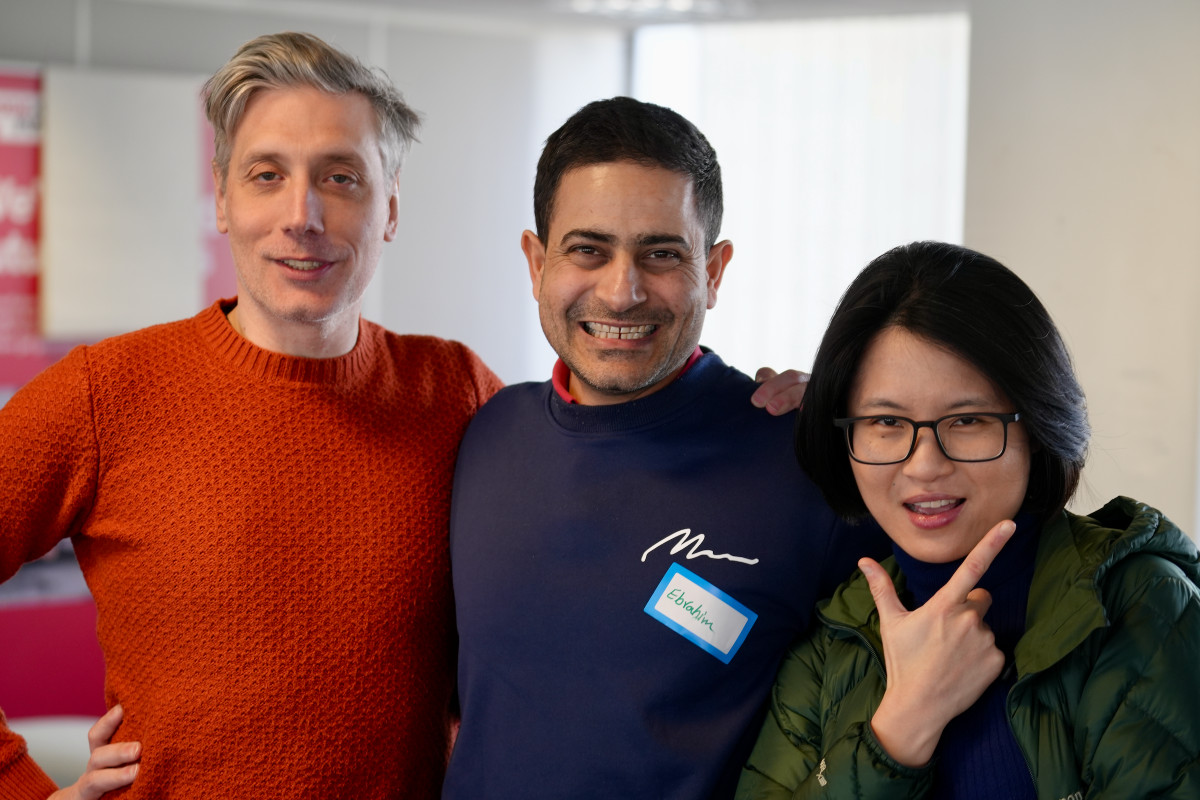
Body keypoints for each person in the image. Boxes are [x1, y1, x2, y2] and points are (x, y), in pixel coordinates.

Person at [0, 31, 504, 799]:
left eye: (341, 177)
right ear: (223, 198)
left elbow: (601, 516)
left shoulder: (456, 391)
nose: (302, 215)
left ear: (390, 207)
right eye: (267, 175)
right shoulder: (107, 392)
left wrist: (747, 412)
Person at [442, 97, 886, 800]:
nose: (622, 292)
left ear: (714, 270)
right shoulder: (486, 436)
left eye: (662, 254)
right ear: (536, 262)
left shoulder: (807, 462)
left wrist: (883, 412)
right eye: (588, 250)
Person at [737, 241, 1200, 799]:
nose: (925, 464)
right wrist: (902, 726)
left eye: (969, 419)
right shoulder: (828, 646)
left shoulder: (1140, 607)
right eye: (886, 420)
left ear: (1038, 425)